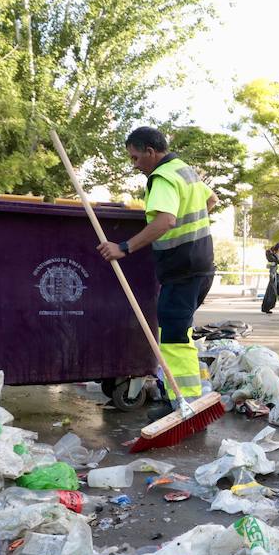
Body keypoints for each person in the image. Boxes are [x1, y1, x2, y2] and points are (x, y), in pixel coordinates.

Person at [96, 126, 216, 413]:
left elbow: (165, 221)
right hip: (201, 265)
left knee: (175, 336)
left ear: (151, 152)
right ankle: (183, 396)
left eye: (135, 158)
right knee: (180, 331)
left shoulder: (161, 177)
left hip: (181, 268)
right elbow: (211, 200)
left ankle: (183, 403)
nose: (134, 165)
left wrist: (123, 247)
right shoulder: (184, 170)